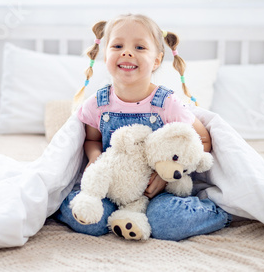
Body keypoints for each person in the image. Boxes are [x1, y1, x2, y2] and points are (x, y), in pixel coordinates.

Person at [54, 13, 231, 241]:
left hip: (158, 192)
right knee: (89, 219)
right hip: (113, 187)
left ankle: (217, 213)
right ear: (105, 53)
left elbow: (202, 141)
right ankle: (121, 217)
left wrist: (165, 175)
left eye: (139, 47)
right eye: (117, 45)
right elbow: (91, 140)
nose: (127, 52)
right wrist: (94, 158)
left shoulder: (167, 104)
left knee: (164, 222)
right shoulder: (98, 103)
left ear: (156, 60)